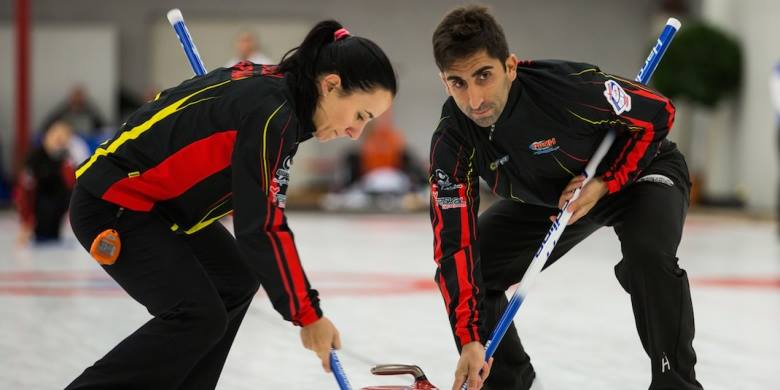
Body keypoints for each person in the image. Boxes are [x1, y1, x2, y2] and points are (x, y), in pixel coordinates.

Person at [67, 20, 396, 389]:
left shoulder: (275, 93)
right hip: (114, 203)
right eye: (360, 116)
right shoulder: (273, 116)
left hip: (158, 206)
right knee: (196, 315)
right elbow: (262, 227)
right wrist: (308, 315)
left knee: (235, 279)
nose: (356, 132)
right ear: (331, 85)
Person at [428, 6, 701, 390]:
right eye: (458, 83)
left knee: (648, 255)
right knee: (477, 265)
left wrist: (606, 180)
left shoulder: (569, 88)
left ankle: (677, 384)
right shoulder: (453, 140)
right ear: (444, 82)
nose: (474, 100)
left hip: (638, 172)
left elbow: (657, 113)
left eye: (483, 76)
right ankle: (507, 379)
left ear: (509, 66)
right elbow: (454, 244)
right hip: (557, 199)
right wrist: (470, 337)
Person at [14, 120, 75, 244]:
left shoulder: (66, 158)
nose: (59, 141)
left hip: (57, 210)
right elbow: (24, 193)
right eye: (56, 136)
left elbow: (72, 187)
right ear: (47, 136)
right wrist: (26, 222)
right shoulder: (35, 159)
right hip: (39, 209)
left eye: (63, 138)